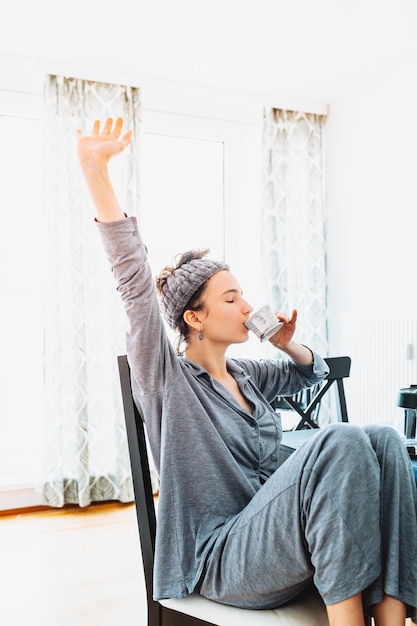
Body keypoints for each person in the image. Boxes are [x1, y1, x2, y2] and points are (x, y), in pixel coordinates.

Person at [76, 117, 417, 626]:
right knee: (342, 439)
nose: (246, 307)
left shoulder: (250, 374)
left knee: (384, 441)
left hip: (275, 537)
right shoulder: (166, 379)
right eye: (231, 298)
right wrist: (96, 171)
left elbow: (311, 373)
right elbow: (133, 283)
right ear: (194, 318)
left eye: (243, 296)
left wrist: (286, 344)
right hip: (221, 556)